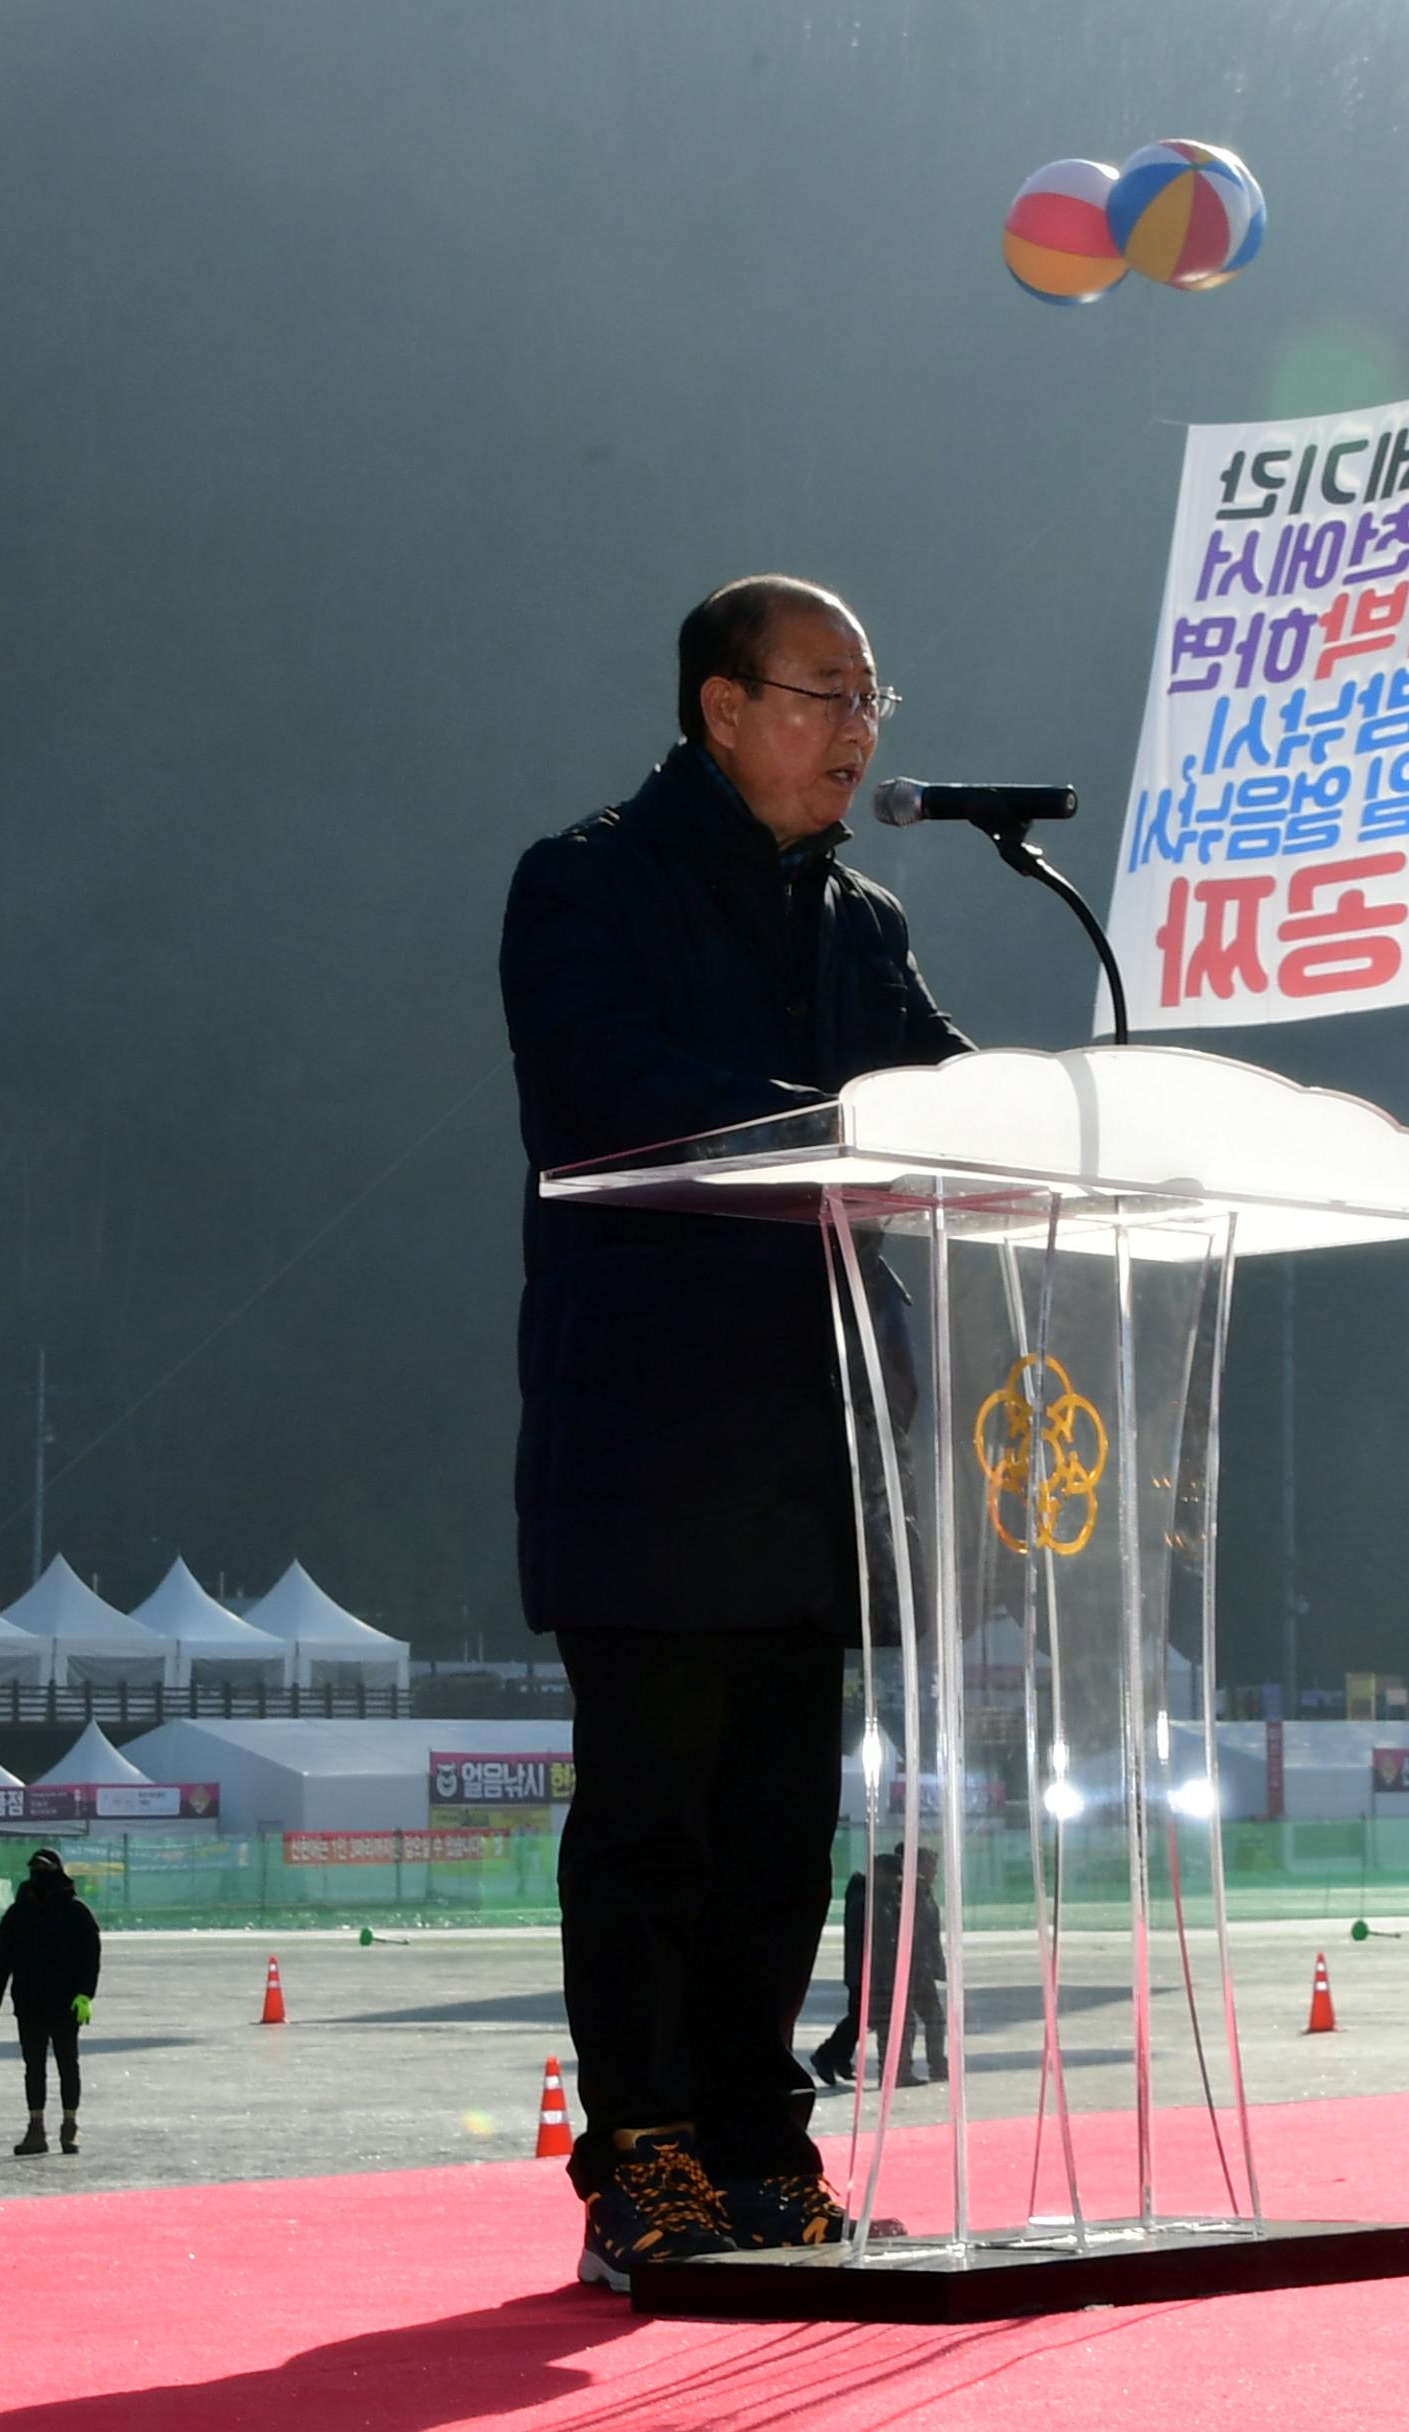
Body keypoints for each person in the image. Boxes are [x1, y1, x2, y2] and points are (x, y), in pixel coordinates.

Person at [498, 573, 970, 2292]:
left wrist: (1052, 1118)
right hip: (647, 1445)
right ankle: (643, 2164)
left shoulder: (860, 927)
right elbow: (610, 1089)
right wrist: (845, 1121)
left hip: (817, 1451)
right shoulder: (582, 885)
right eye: (821, 693)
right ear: (717, 707)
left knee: (782, 1828)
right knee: (654, 1825)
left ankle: (765, 2154)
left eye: (870, 698)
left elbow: (942, 1094)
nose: (856, 730)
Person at [0, 1846, 102, 2154]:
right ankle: (35, 2129)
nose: (39, 1875)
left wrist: (84, 1995)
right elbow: (1, 1958)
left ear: (58, 1872)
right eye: (36, 1869)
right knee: (33, 2066)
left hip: (65, 2004)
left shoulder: (76, 1912)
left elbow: (90, 1957)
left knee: (67, 2064)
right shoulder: (18, 1912)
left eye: (45, 1870)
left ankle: (69, 2126)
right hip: (29, 2003)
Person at [808, 1849, 947, 2089]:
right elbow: (881, 1940)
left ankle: (838, 2058)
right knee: (873, 2020)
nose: (897, 1880)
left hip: (877, 1973)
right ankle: (831, 2057)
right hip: (871, 1975)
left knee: (866, 2020)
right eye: (894, 1876)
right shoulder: (871, 1900)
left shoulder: (885, 1896)